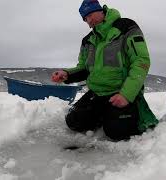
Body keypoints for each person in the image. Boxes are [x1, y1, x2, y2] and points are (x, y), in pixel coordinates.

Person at [51, 0, 158, 141]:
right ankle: (104, 114)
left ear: (98, 10)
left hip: (119, 92)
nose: (88, 22)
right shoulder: (87, 40)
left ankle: (123, 114)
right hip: (97, 93)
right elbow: (84, 68)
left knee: (117, 132)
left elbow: (141, 61)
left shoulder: (126, 27)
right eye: (85, 19)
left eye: (89, 16)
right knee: (74, 122)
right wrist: (67, 74)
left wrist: (126, 95)